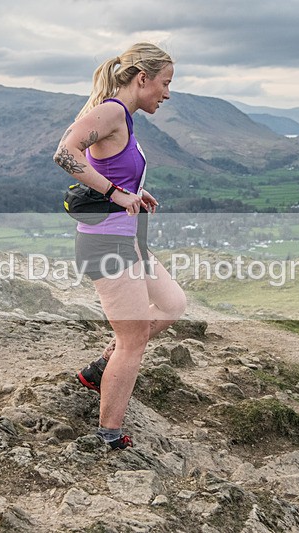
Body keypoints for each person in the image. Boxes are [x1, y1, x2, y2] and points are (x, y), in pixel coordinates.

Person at [53, 42, 187, 449]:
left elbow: (105, 167)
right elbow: (64, 153)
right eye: (164, 83)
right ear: (142, 78)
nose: (167, 93)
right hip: (107, 245)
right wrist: (116, 193)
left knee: (172, 305)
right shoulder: (111, 111)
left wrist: (133, 193)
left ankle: (97, 371)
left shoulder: (124, 118)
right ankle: (108, 434)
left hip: (127, 240)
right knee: (133, 342)